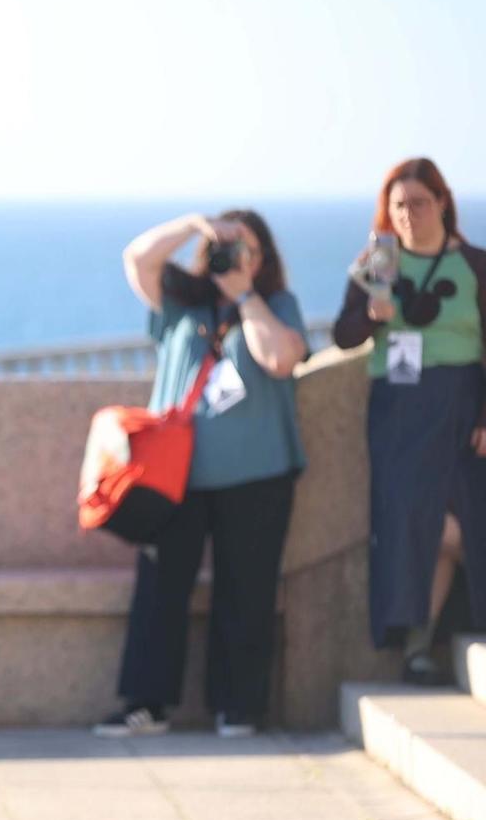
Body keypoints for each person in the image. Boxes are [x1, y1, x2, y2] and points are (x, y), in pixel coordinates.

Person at [96, 209, 309, 737]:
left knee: (247, 590)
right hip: (173, 477)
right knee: (160, 590)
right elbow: (137, 258)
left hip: (257, 475)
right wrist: (193, 224)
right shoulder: (180, 301)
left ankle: (237, 705)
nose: (238, 257)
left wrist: (243, 295)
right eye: (228, 246)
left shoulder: (276, 306)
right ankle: (147, 704)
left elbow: (280, 359)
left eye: (249, 250)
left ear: (265, 260)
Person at [334, 157, 486, 683]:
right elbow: (342, 335)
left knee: (464, 516)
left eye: (419, 202)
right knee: (415, 524)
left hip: (463, 405)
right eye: (398, 204)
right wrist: (370, 315)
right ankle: (417, 645)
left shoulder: (475, 264)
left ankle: (423, 644)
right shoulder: (381, 261)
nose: (408, 214)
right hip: (400, 409)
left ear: (442, 201)